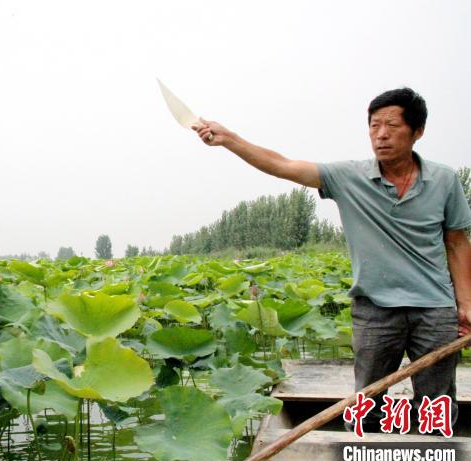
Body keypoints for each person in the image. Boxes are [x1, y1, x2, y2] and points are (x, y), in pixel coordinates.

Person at [193, 87, 471, 432]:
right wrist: (229, 139)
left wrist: (466, 303)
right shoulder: (348, 177)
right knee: (368, 405)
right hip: (375, 310)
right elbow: (282, 166)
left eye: (391, 126)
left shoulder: (444, 180)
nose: (380, 135)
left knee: (436, 405)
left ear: (417, 132)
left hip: (434, 309)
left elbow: (457, 243)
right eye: (374, 126)